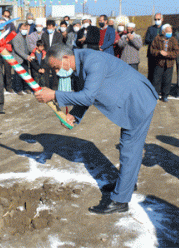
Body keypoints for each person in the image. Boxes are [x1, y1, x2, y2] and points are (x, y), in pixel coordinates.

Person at [34, 44, 158, 214]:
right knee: (128, 148)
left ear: (65, 59)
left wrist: (54, 95)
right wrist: (75, 115)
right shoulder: (80, 62)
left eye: (56, 68)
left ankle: (120, 201)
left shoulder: (93, 61)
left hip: (137, 100)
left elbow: (88, 95)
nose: (56, 72)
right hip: (130, 98)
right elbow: (86, 93)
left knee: (130, 149)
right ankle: (127, 183)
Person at [149, 24, 179, 102]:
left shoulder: (173, 39)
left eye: (171, 31)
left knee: (167, 80)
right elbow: (152, 50)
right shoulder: (157, 38)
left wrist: (168, 54)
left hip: (169, 63)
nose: (170, 32)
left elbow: (176, 52)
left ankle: (165, 95)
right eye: (168, 31)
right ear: (163, 32)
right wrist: (159, 52)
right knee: (156, 80)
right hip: (159, 62)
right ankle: (155, 95)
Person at [11, 23, 33, 95]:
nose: (25, 31)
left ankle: (26, 88)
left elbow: (29, 47)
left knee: (26, 74)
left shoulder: (26, 37)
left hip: (25, 59)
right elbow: (17, 50)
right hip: (18, 59)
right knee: (18, 76)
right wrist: (26, 56)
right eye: (23, 29)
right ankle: (19, 89)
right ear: (20, 29)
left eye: (26, 29)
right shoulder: (16, 37)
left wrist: (35, 51)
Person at [42, 20, 64, 89]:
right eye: (48, 26)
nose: (49, 28)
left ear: (54, 27)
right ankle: (47, 88)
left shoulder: (58, 35)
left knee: (55, 74)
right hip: (47, 57)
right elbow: (43, 45)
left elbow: (59, 45)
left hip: (55, 57)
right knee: (46, 74)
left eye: (51, 26)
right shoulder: (44, 34)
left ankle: (55, 88)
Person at [144, 13, 163, 82]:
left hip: (161, 54)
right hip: (151, 54)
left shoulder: (164, 29)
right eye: (155, 19)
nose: (157, 20)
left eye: (158, 19)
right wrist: (154, 41)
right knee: (151, 72)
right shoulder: (150, 28)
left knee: (159, 72)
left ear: (162, 19)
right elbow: (146, 40)